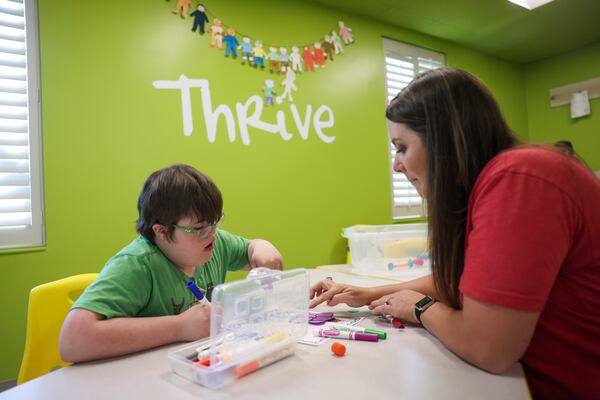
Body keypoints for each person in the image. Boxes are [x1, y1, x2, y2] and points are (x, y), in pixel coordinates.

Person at [309, 68, 600, 399]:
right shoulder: (497, 180)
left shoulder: (520, 176)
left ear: (443, 140)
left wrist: (419, 309)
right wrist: (370, 294)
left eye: (402, 147)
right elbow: (469, 285)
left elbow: (488, 347)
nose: (396, 165)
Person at [59, 164, 283, 362]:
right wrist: (180, 327)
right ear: (162, 231)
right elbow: (72, 341)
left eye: (215, 223)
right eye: (199, 228)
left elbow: (251, 249)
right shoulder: (136, 265)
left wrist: (261, 246)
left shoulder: (214, 243)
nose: (212, 234)